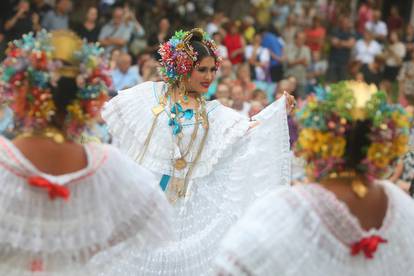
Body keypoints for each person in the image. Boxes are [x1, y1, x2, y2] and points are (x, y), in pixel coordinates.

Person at [101, 28, 295, 275]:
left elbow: (248, 132)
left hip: (180, 207)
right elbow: (117, 122)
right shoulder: (152, 95)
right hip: (141, 197)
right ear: (183, 68)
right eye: (202, 70)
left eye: (213, 70)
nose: (209, 76)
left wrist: (277, 112)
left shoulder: (212, 112)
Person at [0, 30, 172, 274]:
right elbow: (152, 212)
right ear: (84, 99)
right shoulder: (107, 165)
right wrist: (88, 248)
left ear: (22, 92)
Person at [215, 81, 414, 275]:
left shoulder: (282, 210)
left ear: (315, 137)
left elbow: (234, 263)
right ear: (384, 141)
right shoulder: (403, 207)